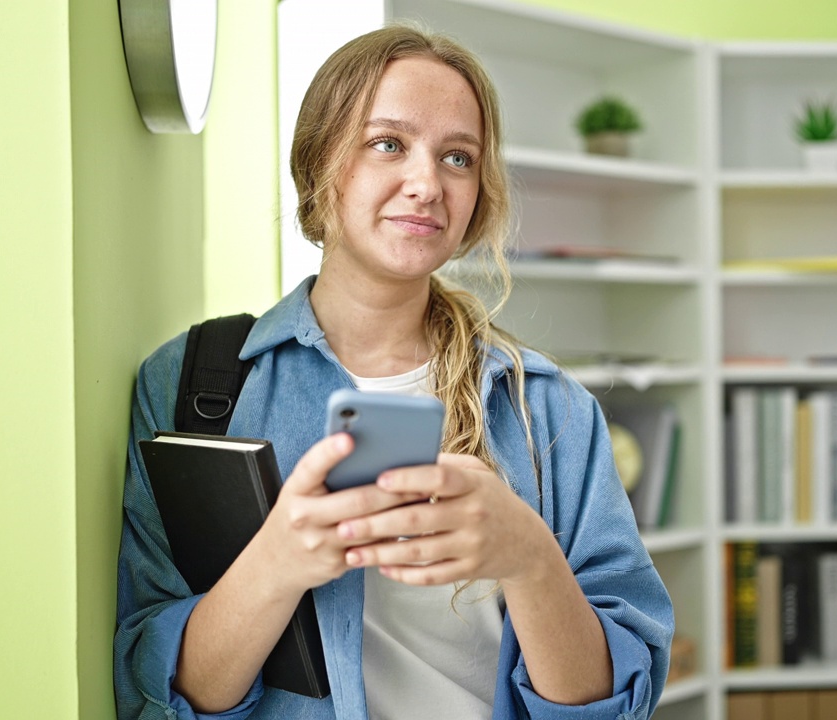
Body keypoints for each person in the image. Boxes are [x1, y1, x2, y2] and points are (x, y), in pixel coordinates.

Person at [114, 24, 673, 720]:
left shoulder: (550, 410)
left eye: (458, 158)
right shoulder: (192, 386)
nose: (427, 183)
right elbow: (159, 695)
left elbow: (614, 704)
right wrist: (279, 560)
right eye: (389, 144)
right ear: (323, 160)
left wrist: (529, 556)